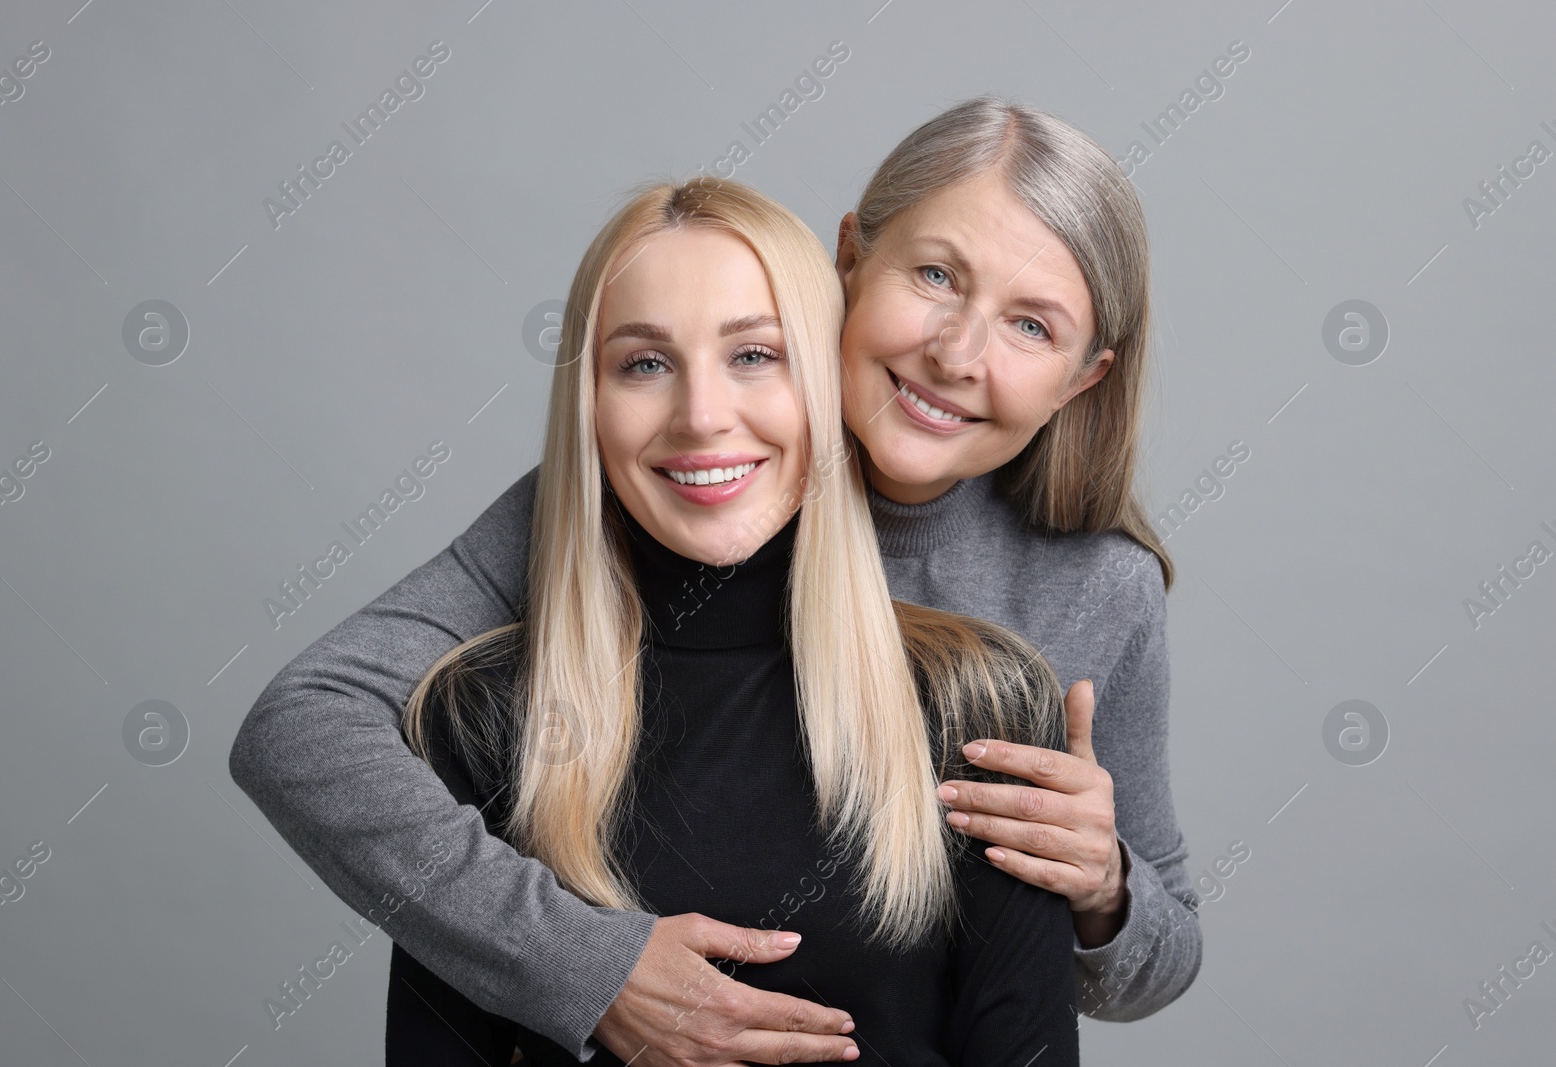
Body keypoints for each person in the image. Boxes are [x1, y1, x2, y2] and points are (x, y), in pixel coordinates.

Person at [230, 95, 1199, 1064]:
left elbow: (1156, 958)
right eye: (937, 275)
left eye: (1031, 326)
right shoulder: (675, 481)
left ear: (1082, 377)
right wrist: (583, 960)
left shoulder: (1093, 592)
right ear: (849, 259)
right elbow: (304, 725)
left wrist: (1102, 881)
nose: (955, 354)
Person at [384, 177, 1080, 1065]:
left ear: (823, 386)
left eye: (755, 355)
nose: (702, 416)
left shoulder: (982, 700)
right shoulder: (478, 716)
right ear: (588, 407)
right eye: (644, 363)